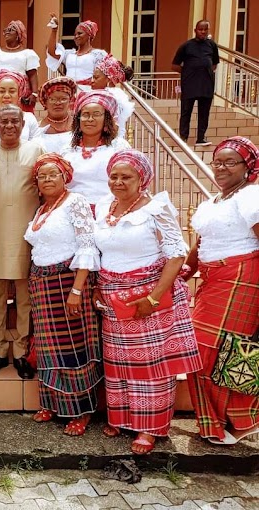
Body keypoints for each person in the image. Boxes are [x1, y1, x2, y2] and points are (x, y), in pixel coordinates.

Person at [94, 149, 201, 455]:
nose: (118, 181)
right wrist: (98, 287)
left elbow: (176, 254)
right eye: (114, 176)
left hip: (148, 294)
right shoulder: (104, 207)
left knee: (150, 366)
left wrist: (153, 299)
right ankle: (122, 419)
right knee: (120, 364)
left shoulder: (156, 208)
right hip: (114, 296)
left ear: (142, 179)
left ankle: (149, 428)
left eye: (126, 177)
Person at [185, 137, 259, 444]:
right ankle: (215, 421)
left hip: (242, 277)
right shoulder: (214, 201)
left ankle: (244, 421)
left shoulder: (251, 196)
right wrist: (186, 269)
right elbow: (201, 243)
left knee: (225, 351)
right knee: (198, 350)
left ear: (248, 167)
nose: (221, 167)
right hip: (213, 279)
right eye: (217, 161)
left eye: (230, 162)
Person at [24, 154, 101, 435]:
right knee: (47, 349)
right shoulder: (42, 208)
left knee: (74, 349)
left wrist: (77, 290)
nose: (47, 180)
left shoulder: (75, 202)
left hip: (68, 282)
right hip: (42, 283)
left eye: (52, 174)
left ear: (65, 176)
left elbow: (87, 245)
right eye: (41, 176)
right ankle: (52, 403)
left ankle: (81, 410)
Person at [0, 105, 44, 380]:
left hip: (27, 235)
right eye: (4, 122)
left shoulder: (36, 151)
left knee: (25, 298)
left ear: (23, 124)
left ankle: (21, 352)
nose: (9, 126)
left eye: (14, 121)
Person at [60, 90, 130, 209]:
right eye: (85, 114)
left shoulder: (118, 147)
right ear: (78, 119)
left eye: (96, 114)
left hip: (109, 210)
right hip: (73, 211)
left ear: (106, 119)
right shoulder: (67, 149)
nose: (90, 119)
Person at [172, 20, 219, 146]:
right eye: (200, 29)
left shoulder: (212, 45)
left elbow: (214, 64)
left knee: (204, 113)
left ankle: (201, 138)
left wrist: (205, 69)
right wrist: (188, 71)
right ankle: (183, 138)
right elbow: (174, 65)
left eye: (205, 29)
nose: (203, 32)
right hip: (189, 85)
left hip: (206, 85)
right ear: (195, 30)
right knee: (186, 112)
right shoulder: (186, 46)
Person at [0, 71, 40, 145]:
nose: (6, 95)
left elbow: (35, 148)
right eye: (2, 91)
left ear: (19, 95)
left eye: (12, 91)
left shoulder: (29, 119)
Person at [46, 15, 107, 91]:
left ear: (89, 35)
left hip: (88, 92)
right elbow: (52, 52)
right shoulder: (69, 55)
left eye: (79, 33)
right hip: (70, 92)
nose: (76, 36)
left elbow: (102, 77)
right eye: (75, 34)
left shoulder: (98, 55)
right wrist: (54, 30)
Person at [91, 55, 135, 138]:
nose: (92, 81)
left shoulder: (112, 97)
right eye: (92, 77)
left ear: (109, 79)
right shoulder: (104, 95)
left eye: (96, 78)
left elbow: (113, 129)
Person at [38, 77, 76, 154]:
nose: (58, 103)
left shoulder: (79, 125)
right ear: (45, 102)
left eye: (63, 99)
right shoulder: (37, 129)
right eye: (52, 99)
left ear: (70, 101)